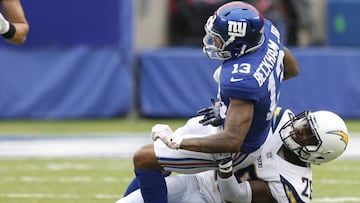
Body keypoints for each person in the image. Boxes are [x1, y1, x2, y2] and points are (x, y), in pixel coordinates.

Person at [132, 1, 299, 202]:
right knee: (155, 161)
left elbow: (231, 141)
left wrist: (179, 143)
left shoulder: (241, 79)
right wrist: (239, 106)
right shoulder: (267, 33)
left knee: (144, 158)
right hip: (235, 123)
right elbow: (291, 66)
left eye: (220, 38)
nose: (214, 41)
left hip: (240, 147)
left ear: (239, 43)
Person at [116, 107, 349, 203]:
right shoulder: (281, 119)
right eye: (303, 123)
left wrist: (225, 165)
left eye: (307, 134)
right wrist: (226, 111)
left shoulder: (293, 185)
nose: (297, 129)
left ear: (319, 154)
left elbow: (236, 196)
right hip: (199, 178)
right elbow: (249, 109)